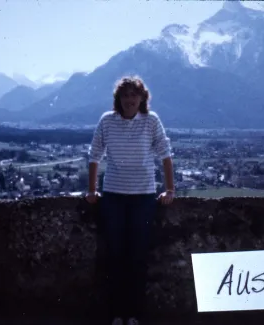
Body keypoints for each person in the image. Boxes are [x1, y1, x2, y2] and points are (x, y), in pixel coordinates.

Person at [86, 76, 175, 325]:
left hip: (143, 198)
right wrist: (92, 190)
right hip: (113, 197)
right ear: (119, 99)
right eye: (125, 95)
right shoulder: (107, 121)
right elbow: (94, 155)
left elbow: (166, 155)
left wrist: (170, 190)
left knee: (137, 257)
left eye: (133, 95)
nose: (129, 100)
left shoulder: (151, 121)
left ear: (142, 98)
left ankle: (134, 314)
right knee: (115, 257)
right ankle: (116, 314)